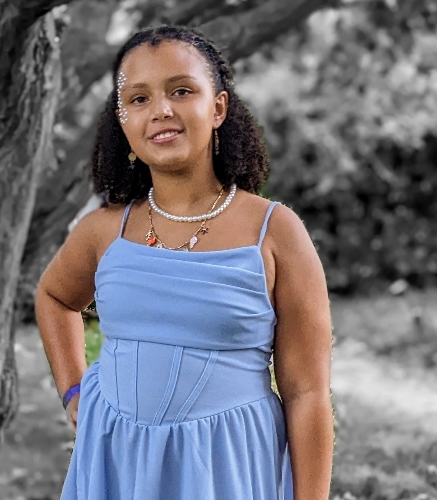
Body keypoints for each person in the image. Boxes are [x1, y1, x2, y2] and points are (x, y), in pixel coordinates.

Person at [35, 25, 334, 500]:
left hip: (225, 468)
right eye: (138, 99)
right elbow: (54, 297)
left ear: (218, 108)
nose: (161, 110)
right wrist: (74, 392)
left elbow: (307, 394)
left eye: (181, 90)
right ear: (123, 121)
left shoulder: (275, 232)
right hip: (118, 463)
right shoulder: (103, 230)